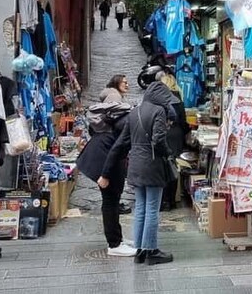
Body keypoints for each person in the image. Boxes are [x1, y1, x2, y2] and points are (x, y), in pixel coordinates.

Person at [98, 78, 179, 265]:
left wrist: (106, 171)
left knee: (141, 208)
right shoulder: (159, 111)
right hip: (152, 166)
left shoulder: (134, 112)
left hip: (135, 164)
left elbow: (122, 143)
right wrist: (168, 154)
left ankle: (140, 250)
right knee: (152, 208)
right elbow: (158, 140)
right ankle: (152, 251)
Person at [76, 101, 134, 256]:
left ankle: (117, 239)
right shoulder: (131, 124)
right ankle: (114, 244)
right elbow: (116, 151)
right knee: (110, 201)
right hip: (102, 159)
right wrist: (105, 175)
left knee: (113, 200)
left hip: (101, 153)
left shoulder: (128, 119)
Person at [158, 74, 190, 212]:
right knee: (174, 166)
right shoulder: (178, 99)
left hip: (165, 133)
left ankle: (163, 199)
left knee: (163, 166)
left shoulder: (160, 99)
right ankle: (171, 199)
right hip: (176, 135)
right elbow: (183, 121)